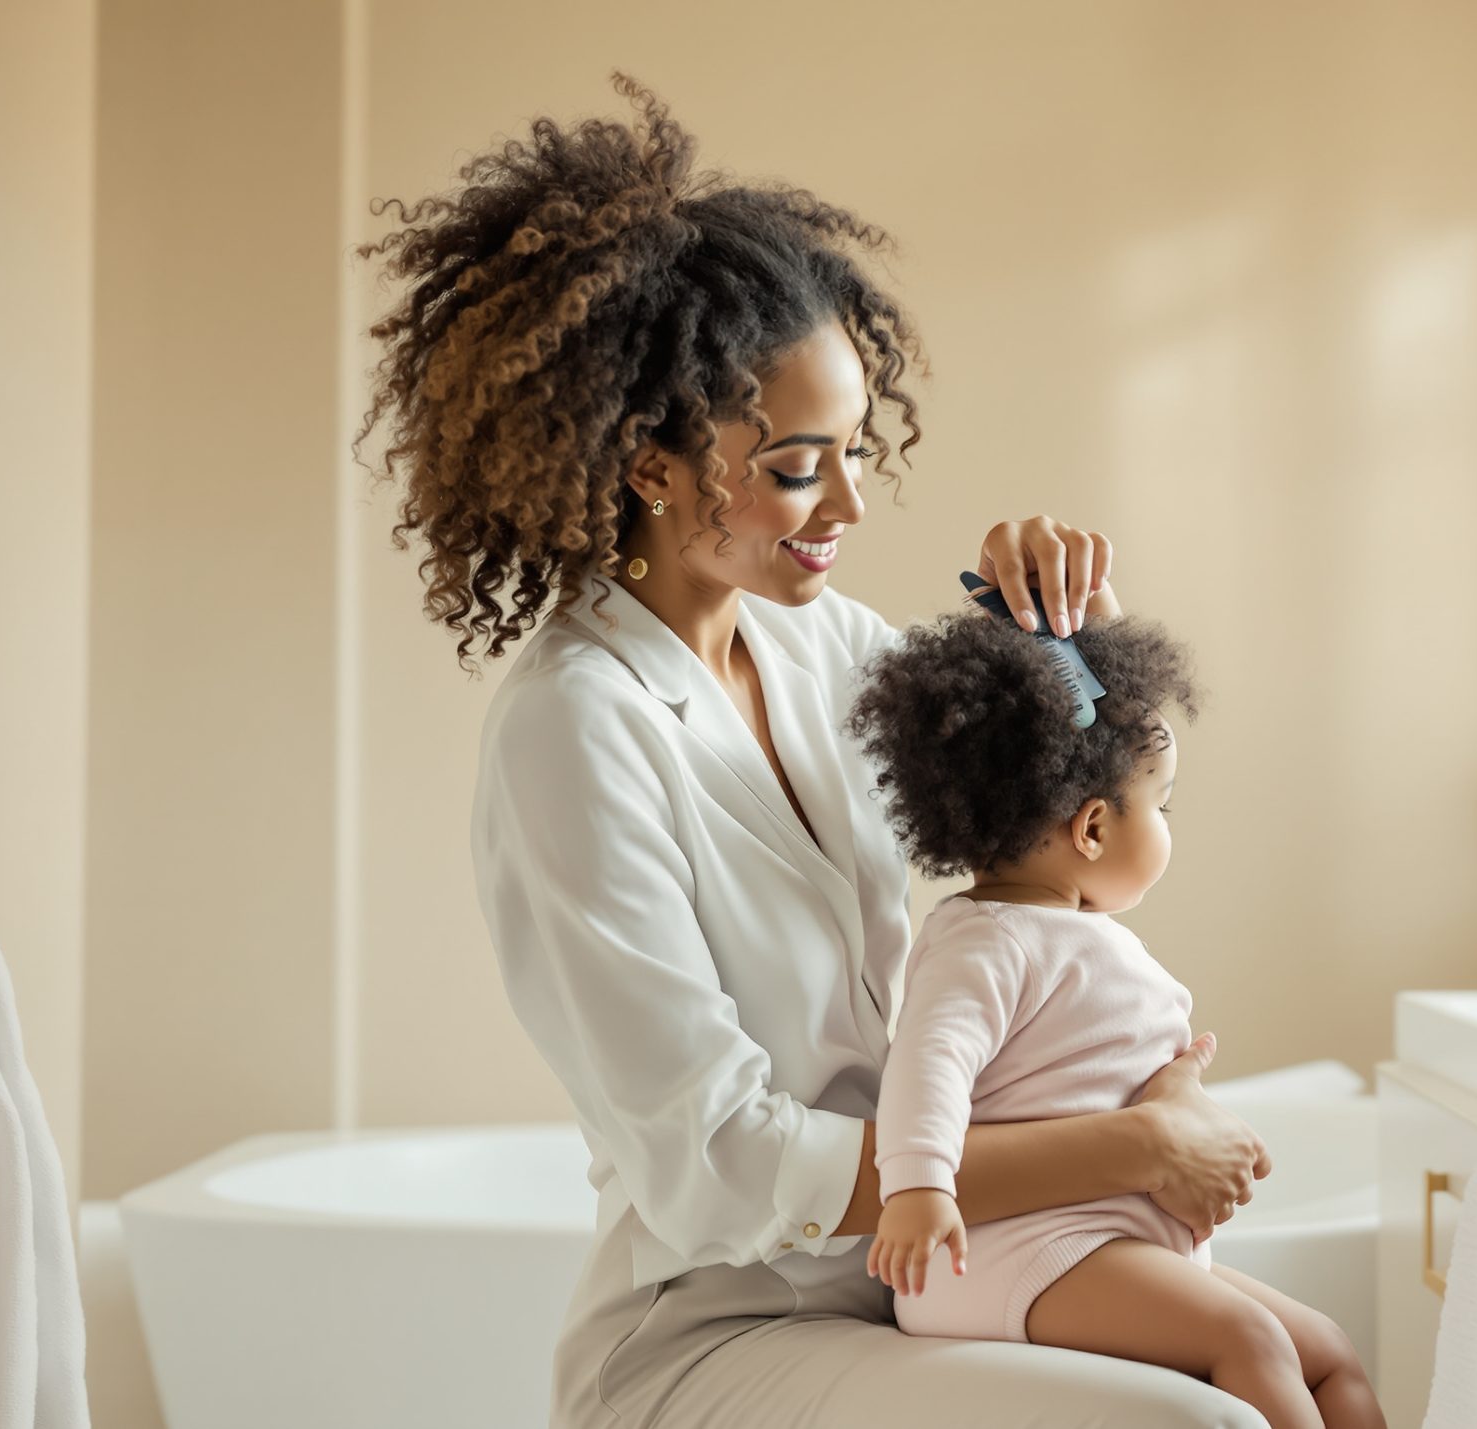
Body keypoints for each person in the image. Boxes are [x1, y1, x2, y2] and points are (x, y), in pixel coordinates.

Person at [352, 73, 1274, 1429]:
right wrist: (1135, 1145)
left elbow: (1061, 810)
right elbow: (724, 1164)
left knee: (1271, 1362)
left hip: (918, 1287)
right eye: (795, 465)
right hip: (719, 1335)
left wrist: (1070, 625)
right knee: (1195, 1420)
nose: (847, 501)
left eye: (852, 451)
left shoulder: (824, 646)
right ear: (650, 464)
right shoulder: (577, 731)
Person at [848, 612, 1383, 1429]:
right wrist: (918, 1189)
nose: (1167, 826)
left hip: (1098, 1242)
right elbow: (929, 1065)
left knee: (1329, 1352)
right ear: (1092, 827)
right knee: (1250, 1339)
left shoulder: (1070, 929)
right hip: (1001, 1251)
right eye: (1161, 804)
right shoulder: (981, 941)